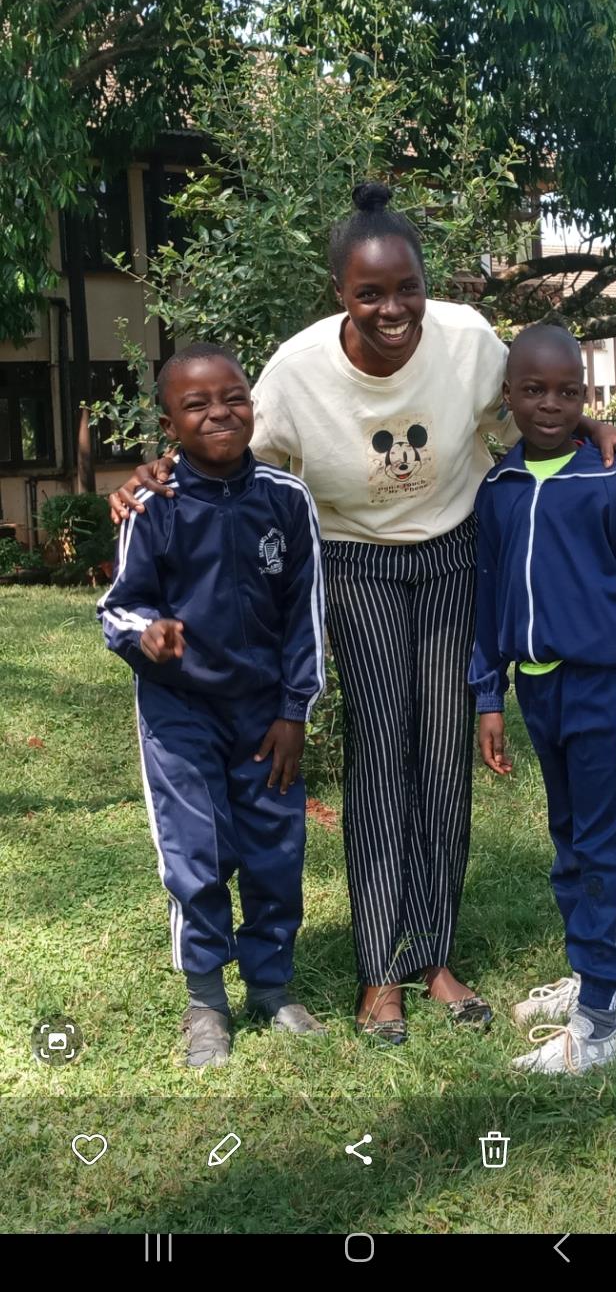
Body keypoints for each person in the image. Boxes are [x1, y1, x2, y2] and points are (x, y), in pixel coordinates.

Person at [109, 182, 616, 1047]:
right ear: (340, 291)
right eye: (370, 293)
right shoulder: (297, 373)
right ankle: (379, 971)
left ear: (426, 283)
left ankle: (433, 956)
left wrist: (599, 429)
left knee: (442, 753)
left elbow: (533, 405)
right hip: (358, 563)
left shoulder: (467, 341)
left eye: (408, 287)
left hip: (453, 552)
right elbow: (224, 450)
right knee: (380, 754)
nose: (393, 308)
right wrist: (152, 472)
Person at [98, 343, 326, 1067]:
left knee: (275, 851)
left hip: (265, 715)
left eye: (233, 398)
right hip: (180, 713)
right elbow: (117, 605)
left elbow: (305, 615)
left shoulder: (286, 499)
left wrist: (295, 711)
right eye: (196, 405)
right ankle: (206, 1003)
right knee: (195, 855)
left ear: (253, 406)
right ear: (170, 425)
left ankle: (271, 985)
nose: (219, 413)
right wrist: (148, 632)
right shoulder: (152, 502)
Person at [470, 323, 616, 1074]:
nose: (551, 405)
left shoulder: (611, 478)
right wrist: (489, 695)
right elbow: (488, 597)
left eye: (567, 392)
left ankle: (597, 1024)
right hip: (539, 690)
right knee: (568, 840)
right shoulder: (498, 488)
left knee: (602, 847)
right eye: (534, 390)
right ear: (509, 396)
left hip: (604, 691)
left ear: (585, 397)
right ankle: (590, 971)